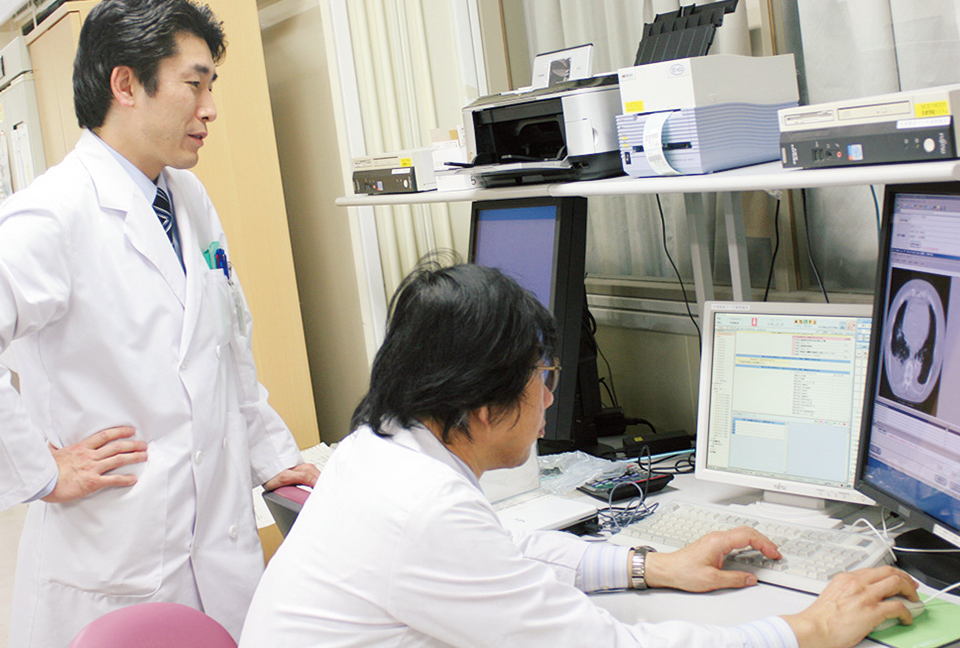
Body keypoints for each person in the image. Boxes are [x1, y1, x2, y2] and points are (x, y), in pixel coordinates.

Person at [239, 258, 920, 648]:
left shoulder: (379, 446)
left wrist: (651, 565)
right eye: (543, 378)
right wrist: (807, 628)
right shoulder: (423, 508)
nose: (548, 399)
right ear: (481, 402)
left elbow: (505, 552)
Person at [0, 0, 318, 647]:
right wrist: (41, 470)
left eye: (211, 86)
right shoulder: (51, 214)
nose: (210, 108)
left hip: (218, 546)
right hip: (115, 559)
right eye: (193, 84)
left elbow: (227, 352)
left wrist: (276, 460)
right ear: (125, 84)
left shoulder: (189, 197)